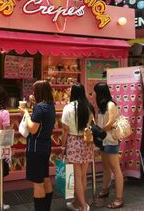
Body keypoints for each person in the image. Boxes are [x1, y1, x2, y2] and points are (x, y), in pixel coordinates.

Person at [19, 80, 55, 211]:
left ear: (39, 92)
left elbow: (33, 129)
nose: (32, 93)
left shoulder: (40, 108)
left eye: (34, 91)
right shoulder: (50, 106)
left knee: (37, 183)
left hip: (35, 147)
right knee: (45, 178)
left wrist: (26, 114)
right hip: (45, 146)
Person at [61, 83, 94, 211]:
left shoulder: (68, 108)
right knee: (83, 176)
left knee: (77, 177)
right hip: (86, 141)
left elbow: (65, 130)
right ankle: (77, 203)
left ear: (73, 93)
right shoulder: (89, 107)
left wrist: (63, 147)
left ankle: (84, 206)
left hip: (73, 141)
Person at [94, 83, 124, 209]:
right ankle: (105, 189)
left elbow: (111, 122)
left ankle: (119, 198)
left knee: (115, 169)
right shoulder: (101, 107)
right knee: (106, 167)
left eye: (95, 91)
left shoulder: (111, 104)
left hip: (111, 140)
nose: (93, 94)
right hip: (103, 141)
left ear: (100, 92)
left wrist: (99, 132)